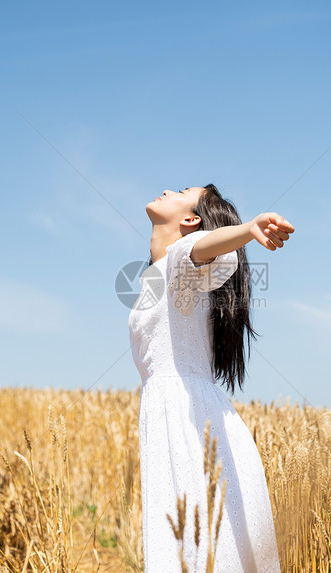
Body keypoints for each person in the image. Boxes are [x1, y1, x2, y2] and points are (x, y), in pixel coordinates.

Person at [128, 184, 294, 572]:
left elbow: (204, 249)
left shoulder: (182, 262)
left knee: (199, 552)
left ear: (191, 220)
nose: (167, 189)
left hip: (189, 420)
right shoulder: (156, 276)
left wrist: (249, 227)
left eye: (182, 191)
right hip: (176, 414)